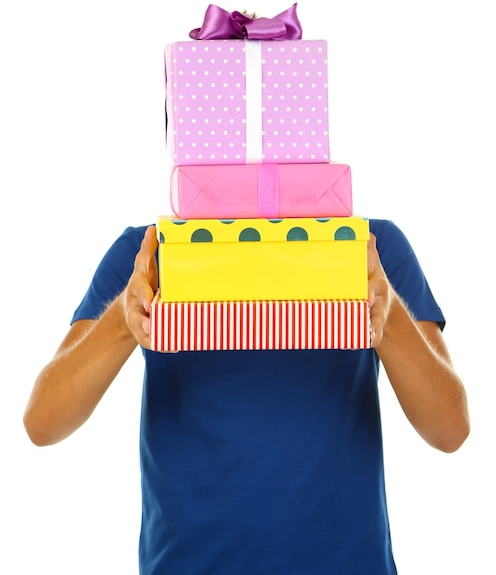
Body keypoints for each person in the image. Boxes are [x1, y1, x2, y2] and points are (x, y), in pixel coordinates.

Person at [23, 219, 470, 574]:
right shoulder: (149, 251)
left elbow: (450, 428)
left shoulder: (370, 247)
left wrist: (387, 318)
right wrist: (124, 322)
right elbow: (43, 422)